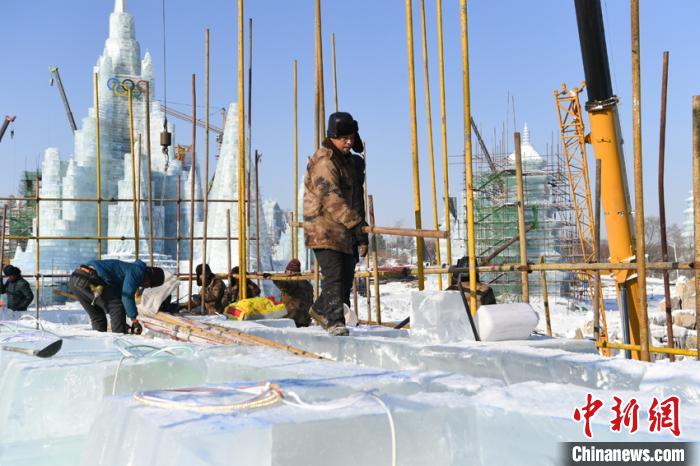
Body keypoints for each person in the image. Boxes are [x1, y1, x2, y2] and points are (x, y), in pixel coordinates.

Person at [303, 112, 368, 336]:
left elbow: (356, 199)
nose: (348, 142)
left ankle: (321, 309)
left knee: (346, 278)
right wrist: (355, 223)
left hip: (343, 229)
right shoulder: (324, 161)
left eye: (351, 137)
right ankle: (334, 321)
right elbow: (331, 198)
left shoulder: (349, 162)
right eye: (343, 138)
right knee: (335, 276)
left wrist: (361, 233)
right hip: (323, 228)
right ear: (332, 137)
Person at [69, 259, 164, 334]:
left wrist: (123, 326)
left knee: (98, 317)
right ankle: (117, 344)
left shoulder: (124, 272)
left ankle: (98, 344)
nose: (146, 287)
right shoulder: (137, 271)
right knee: (117, 307)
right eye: (150, 285)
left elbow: (118, 296)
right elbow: (126, 297)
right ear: (150, 277)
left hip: (76, 279)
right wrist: (134, 320)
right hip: (90, 278)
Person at [269, 259, 313, 328]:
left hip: (293, 319)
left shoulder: (293, 281)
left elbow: (285, 285)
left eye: (286, 271)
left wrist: (273, 278)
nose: (285, 272)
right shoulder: (306, 283)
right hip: (305, 320)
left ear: (291, 271)